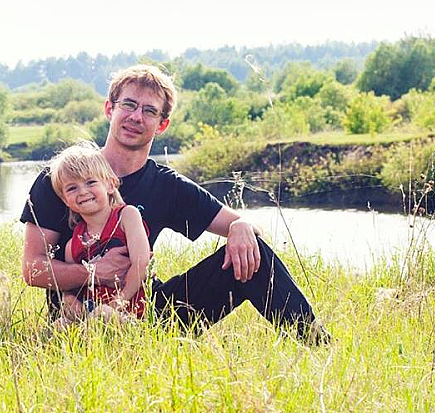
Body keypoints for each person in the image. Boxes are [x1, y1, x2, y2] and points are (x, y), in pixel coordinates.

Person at [21, 65, 326, 342]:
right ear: (109, 109)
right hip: (80, 316)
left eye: (149, 111)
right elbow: (32, 269)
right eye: (128, 105)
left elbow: (237, 222)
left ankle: (317, 344)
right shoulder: (63, 177)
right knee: (91, 319)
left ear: (162, 124)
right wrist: (92, 272)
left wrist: (243, 226)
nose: (136, 117)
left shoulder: (166, 186)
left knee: (253, 250)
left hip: (147, 312)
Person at [49, 142, 151, 321]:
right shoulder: (72, 244)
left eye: (90, 182)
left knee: (103, 313)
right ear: (65, 200)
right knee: (60, 324)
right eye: (72, 188)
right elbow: (72, 287)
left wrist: (119, 302)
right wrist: (70, 300)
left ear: (110, 185)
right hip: (90, 312)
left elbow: (141, 264)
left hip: (129, 309)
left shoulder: (126, 216)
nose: (83, 191)